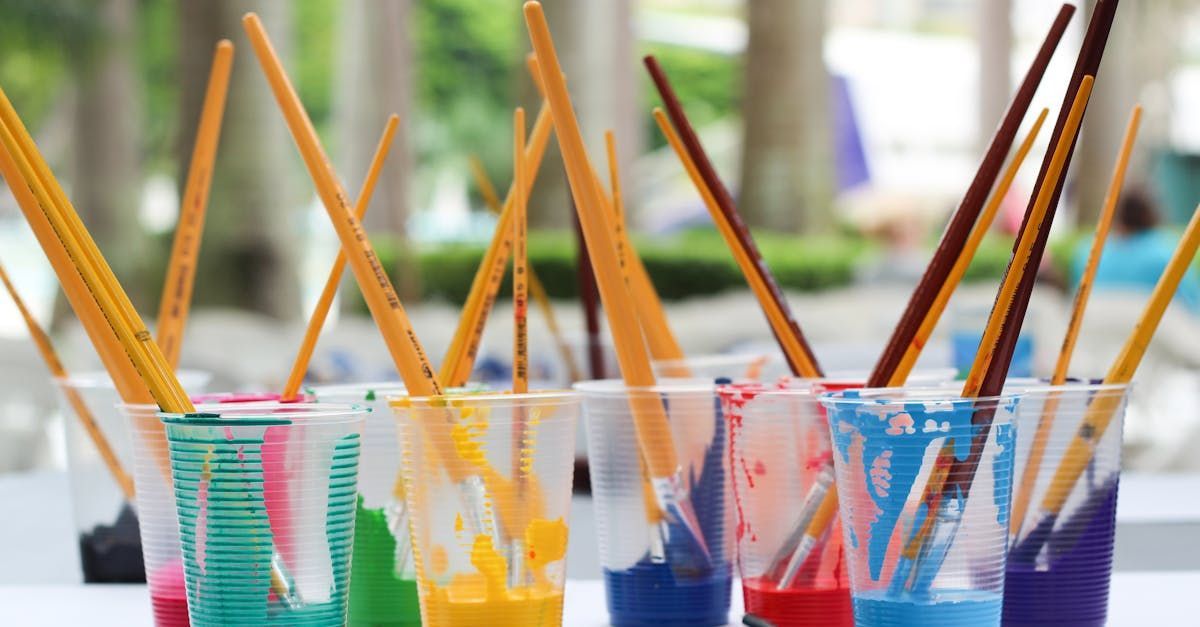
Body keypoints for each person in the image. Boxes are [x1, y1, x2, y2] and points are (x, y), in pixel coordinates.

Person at [1071, 187, 1200, 313]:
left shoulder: (1089, 252)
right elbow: (1191, 307)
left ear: (1117, 216)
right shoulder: (1168, 253)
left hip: (1093, 330)